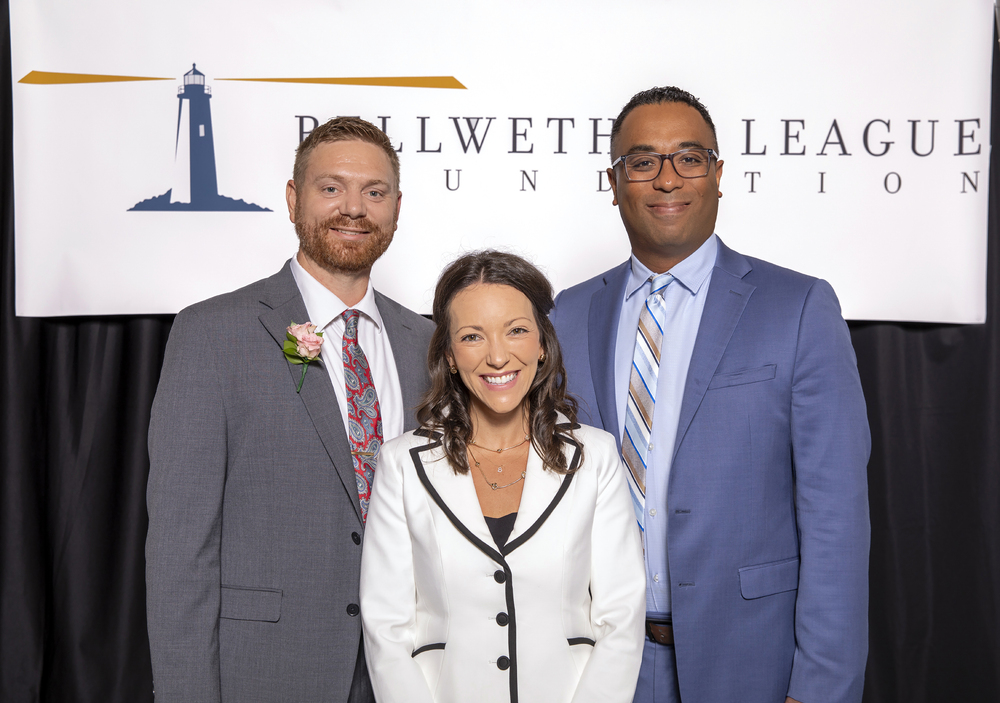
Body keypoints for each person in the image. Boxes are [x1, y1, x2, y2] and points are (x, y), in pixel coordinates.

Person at [550, 87, 871, 703]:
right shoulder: (569, 313)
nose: (666, 178)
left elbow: (837, 518)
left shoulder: (799, 308)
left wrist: (823, 687)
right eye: (642, 162)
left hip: (753, 661)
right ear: (614, 182)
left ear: (719, 174)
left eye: (689, 157)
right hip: (595, 668)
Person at [146, 117, 434, 703]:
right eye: (331, 188)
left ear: (397, 208)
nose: (353, 208)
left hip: (409, 672)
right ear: (292, 198)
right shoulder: (212, 333)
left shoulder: (427, 345)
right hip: (269, 670)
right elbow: (180, 551)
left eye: (374, 192)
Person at [359, 251, 646, 703]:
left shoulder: (596, 456)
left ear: (542, 345)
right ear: (450, 355)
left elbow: (622, 617)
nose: (497, 356)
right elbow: (386, 629)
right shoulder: (401, 464)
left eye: (516, 331)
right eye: (473, 336)